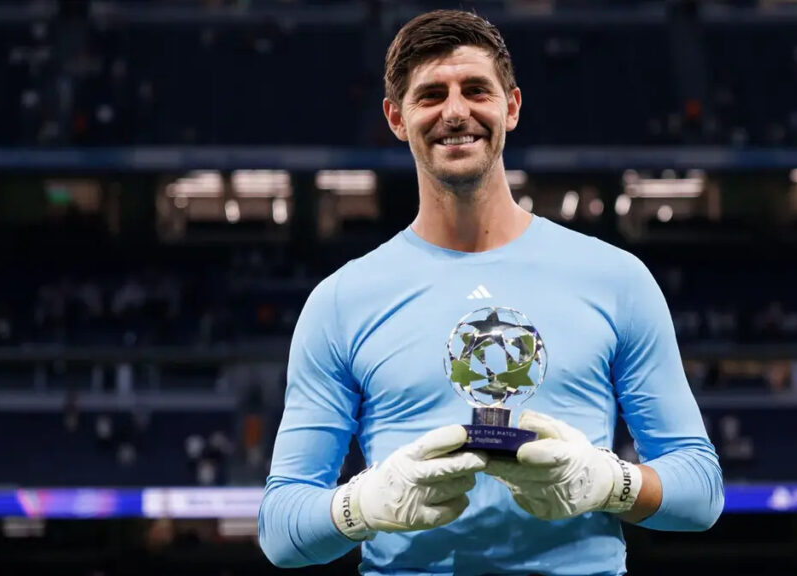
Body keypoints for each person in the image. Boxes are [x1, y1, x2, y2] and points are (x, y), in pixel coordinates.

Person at [259, 9, 723, 575]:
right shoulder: (340, 303)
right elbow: (280, 527)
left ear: (512, 106)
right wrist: (363, 505)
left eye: (476, 89)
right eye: (430, 95)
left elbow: (700, 491)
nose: (456, 111)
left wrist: (608, 481)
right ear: (396, 118)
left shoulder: (617, 280)